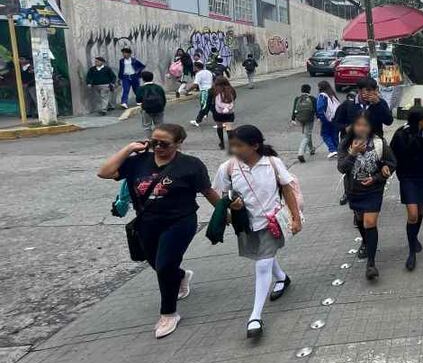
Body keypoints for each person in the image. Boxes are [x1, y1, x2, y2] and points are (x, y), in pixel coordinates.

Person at [97, 123, 220, 339]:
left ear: (178, 144)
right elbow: (104, 172)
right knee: (156, 264)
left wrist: (224, 214)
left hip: (180, 221)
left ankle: (168, 313)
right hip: (147, 222)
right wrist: (128, 149)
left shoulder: (191, 165)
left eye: (164, 144)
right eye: (154, 142)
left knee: (164, 265)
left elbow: (207, 191)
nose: (158, 147)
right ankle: (181, 276)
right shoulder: (138, 162)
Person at [212, 125, 302, 339]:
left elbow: (287, 189)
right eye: (232, 145)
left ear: (255, 145)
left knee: (262, 263)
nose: (234, 149)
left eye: (238, 145)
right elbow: (220, 194)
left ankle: (255, 316)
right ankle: (282, 278)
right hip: (245, 223)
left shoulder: (272, 162)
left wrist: (296, 217)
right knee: (264, 256)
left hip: (271, 222)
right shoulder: (227, 168)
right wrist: (228, 208)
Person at [339, 113, 396, 280]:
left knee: (370, 222)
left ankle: (371, 263)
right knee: (360, 221)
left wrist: (380, 175)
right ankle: (366, 241)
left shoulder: (379, 143)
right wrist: (353, 153)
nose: (362, 128)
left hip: (373, 190)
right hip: (354, 191)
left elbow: (391, 162)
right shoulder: (346, 143)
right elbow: (342, 168)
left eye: (365, 125)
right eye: (358, 125)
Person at [390, 107, 423, 271]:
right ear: (419, 120)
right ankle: (411, 251)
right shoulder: (401, 134)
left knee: (419, 213)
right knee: (412, 214)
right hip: (408, 178)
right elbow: (395, 155)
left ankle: (414, 238)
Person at [291, 84, 317, 163]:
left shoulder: (297, 98)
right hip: (309, 118)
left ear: (301, 90)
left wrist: (293, 119)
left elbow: (294, 109)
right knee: (307, 136)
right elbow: (316, 109)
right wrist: (319, 117)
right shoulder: (312, 98)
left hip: (300, 119)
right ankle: (300, 153)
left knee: (307, 134)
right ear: (309, 90)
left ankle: (311, 149)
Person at [210, 77, 237, 150]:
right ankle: (231, 144)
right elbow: (234, 98)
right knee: (229, 128)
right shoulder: (231, 90)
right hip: (229, 112)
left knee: (219, 127)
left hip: (217, 112)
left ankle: (222, 143)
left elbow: (209, 101)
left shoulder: (214, 90)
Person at [315, 81, 341, 158]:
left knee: (325, 134)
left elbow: (320, 109)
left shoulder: (322, 96)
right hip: (335, 118)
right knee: (334, 135)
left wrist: (322, 118)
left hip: (327, 119)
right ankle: (337, 150)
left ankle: (332, 149)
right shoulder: (332, 95)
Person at [138, 71, 167, 137]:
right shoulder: (158, 87)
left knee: (147, 126)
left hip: (147, 110)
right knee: (159, 125)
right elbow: (164, 99)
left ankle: (150, 140)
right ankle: (159, 139)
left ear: (143, 79)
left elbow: (138, 100)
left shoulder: (141, 89)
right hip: (159, 109)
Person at [190, 61, 215, 127]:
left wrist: (187, 90)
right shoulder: (208, 72)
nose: (193, 68)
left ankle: (198, 120)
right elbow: (212, 82)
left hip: (204, 91)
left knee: (204, 106)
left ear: (196, 67)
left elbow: (195, 84)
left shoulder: (198, 74)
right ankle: (220, 120)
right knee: (211, 106)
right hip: (211, 90)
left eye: (193, 66)